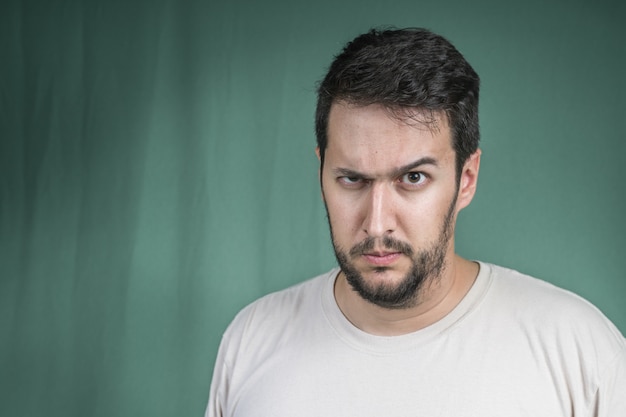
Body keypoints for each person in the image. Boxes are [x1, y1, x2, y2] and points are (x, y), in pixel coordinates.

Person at [205, 28, 626, 416]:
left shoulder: (579, 351)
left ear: (466, 179)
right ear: (322, 174)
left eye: (413, 178)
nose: (377, 223)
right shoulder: (252, 339)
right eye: (352, 179)